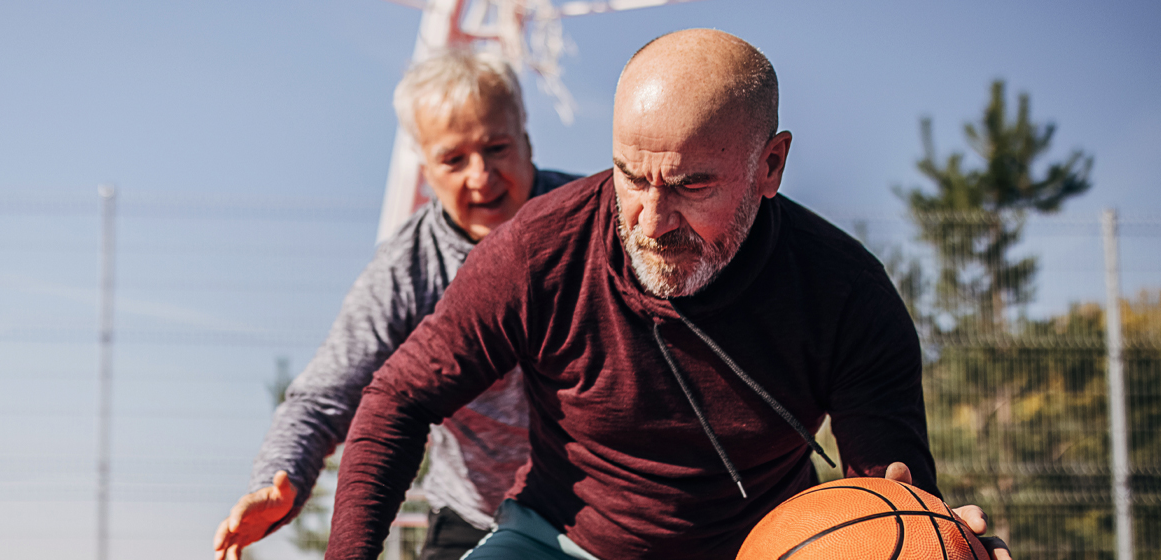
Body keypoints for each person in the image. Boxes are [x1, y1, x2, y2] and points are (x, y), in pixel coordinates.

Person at [320, 29, 1010, 560]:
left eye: (691, 186)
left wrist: (932, 533)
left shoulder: (844, 293)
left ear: (769, 166)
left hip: (759, 546)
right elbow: (397, 399)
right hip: (558, 542)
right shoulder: (541, 249)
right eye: (631, 176)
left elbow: (885, 490)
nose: (650, 221)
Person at [211, 48, 582, 560]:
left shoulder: (586, 224)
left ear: (526, 137)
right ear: (425, 167)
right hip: (478, 515)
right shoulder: (407, 270)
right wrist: (280, 482)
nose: (480, 175)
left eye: (496, 147)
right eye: (454, 159)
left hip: (597, 511)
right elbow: (323, 397)